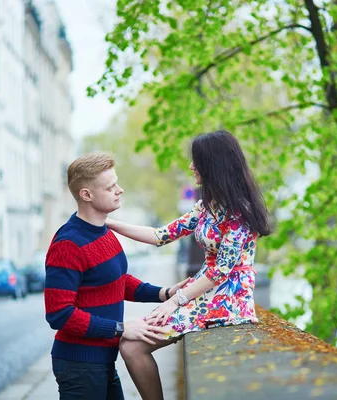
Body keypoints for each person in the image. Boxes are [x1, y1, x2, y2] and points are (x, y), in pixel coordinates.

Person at [106, 130, 271, 400]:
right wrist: (108, 223)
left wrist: (175, 300)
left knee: (133, 344)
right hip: (205, 292)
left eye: (197, 161)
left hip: (228, 301)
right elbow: (160, 236)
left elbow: (221, 271)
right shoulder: (208, 206)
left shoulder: (239, 212)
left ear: (214, 165)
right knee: (131, 343)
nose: (192, 166)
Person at [44, 152, 188, 400]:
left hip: (103, 361)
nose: (119, 190)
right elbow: (59, 314)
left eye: (117, 183)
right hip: (79, 366)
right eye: (110, 187)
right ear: (86, 195)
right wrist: (120, 329)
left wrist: (165, 293)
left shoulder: (104, 232)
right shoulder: (68, 244)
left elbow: (117, 281)